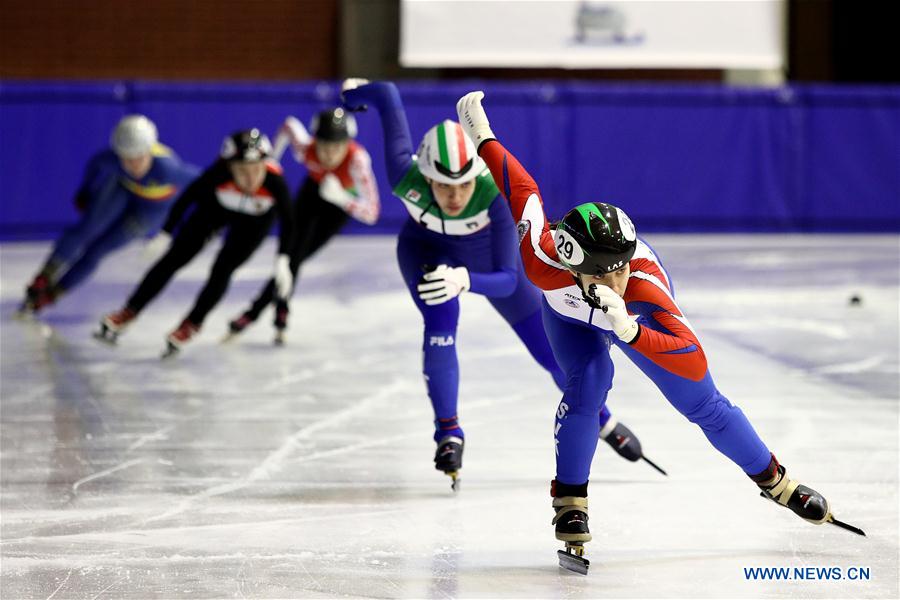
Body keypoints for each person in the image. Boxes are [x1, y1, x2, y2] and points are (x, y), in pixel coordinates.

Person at [454, 90, 863, 571]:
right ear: (573, 267)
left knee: (702, 403)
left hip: (638, 324)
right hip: (568, 318)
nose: (616, 281)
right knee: (587, 385)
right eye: (605, 274)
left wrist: (629, 329)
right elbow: (520, 190)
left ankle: (776, 480)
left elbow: (691, 358)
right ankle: (570, 501)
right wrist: (480, 136)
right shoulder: (544, 262)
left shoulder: (644, 289)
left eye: (621, 268)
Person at [342, 79, 657, 489]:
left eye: (463, 185)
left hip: (485, 262)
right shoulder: (406, 175)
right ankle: (448, 433)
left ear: (479, 176)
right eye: (442, 185)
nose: (454, 196)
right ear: (424, 177)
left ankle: (603, 418)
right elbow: (385, 95)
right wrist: (348, 98)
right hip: (425, 253)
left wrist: (465, 279)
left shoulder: (494, 196)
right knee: (440, 324)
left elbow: (509, 281)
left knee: (551, 354)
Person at [95, 129, 294, 357]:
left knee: (223, 269)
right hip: (217, 209)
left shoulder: (275, 183)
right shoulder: (218, 174)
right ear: (229, 167)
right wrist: (166, 234)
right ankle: (130, 310)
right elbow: (186, 198)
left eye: (257, 170)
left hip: (256, 222)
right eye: (243, 171)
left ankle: (193, 322)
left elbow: (290, 222)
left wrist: (283, 258)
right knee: (174, 257)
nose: (251, 179)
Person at [226, 108, 380, 345]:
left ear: (348, 144)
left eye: (337, 147)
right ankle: (277, 311)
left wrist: (341, 197)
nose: (329, 155)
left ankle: (257, 312)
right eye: (324, 146)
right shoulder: (305, 148)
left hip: (338, 206)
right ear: (315, 141)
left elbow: (372, 212)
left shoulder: (357, 161)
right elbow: (288, 125)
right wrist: (271, 158)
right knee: (290, 255)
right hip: (312, 192)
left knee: (297, 257)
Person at [18, 115, 199, 315]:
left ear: (149, 150)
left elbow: (205, 184)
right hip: (124, 189)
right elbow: (95, 166)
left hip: (153, 210)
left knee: (97, 251)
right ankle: (45, 275)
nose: (133, 165)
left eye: (139, 158)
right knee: (87, 228)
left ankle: (54, 293)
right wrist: (85, 192)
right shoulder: (111, 159)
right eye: (126, 158)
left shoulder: (167, 169)